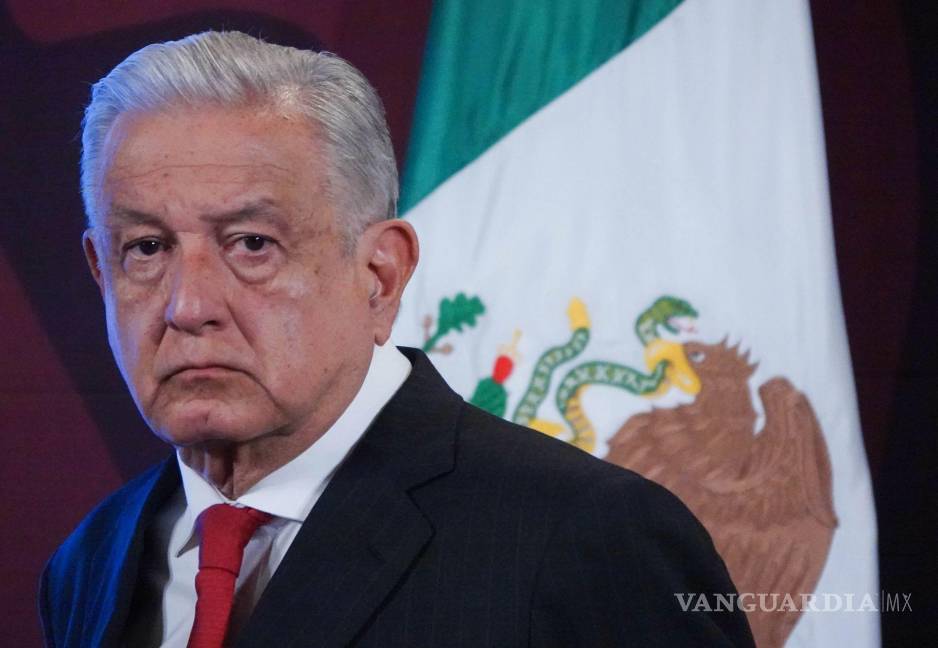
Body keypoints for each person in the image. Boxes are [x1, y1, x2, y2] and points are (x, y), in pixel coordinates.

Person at [39, 31, 755, 648]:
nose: (188, 306)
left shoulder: (585, 538)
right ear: (102, 272)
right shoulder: (90, 562)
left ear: (380, 275)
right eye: (146, 248)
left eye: (252, 243)